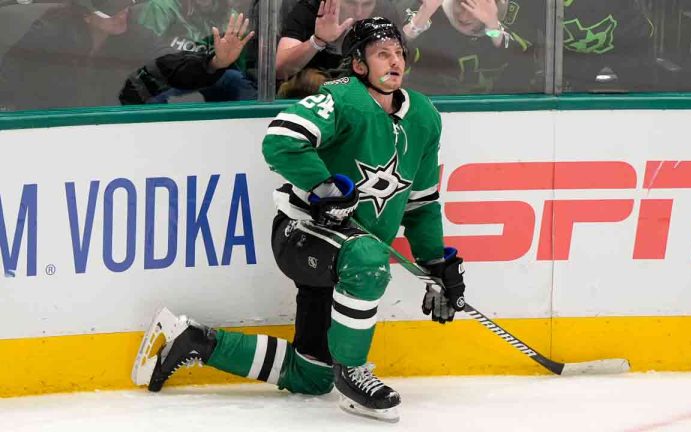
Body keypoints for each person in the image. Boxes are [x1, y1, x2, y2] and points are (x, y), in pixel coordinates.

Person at [131, 17, 466, 423]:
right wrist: (324, 188)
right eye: (382, 54)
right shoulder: (341, 98)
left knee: (311, 375)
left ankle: (196, 341)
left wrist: (435, 263)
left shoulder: (424, 116)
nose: (394, 61)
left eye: (398, 53)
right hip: (303, 235)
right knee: (368, 259)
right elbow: (281, 139)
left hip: (349, 255)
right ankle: (354, 374)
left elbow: (421, 202)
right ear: (359, 65)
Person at [0, 0, 138, 110]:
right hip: (47, 119)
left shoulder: (133, 35)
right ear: (86, 15)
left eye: (126, 3)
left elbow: (156, 57)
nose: (123, 11)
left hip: (110, 120)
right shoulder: (49, 39)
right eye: (112, 8)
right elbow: (8, 78)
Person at [126, 0, 258, 102]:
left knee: (238, 82)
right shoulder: (162, 7)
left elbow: (240, 66)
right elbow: (143, 52)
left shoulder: (230, 16)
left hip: (208, 74)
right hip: (167, 75)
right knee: (148, 90)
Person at [404, 0, 540, 95]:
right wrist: (423, 16)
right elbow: (394, 49)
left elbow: (521, 60)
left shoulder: (519, 17)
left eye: (473, 6)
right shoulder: (430, 8)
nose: (464, 16)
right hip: (435, 104)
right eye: (460, 3)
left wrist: (492, 27)